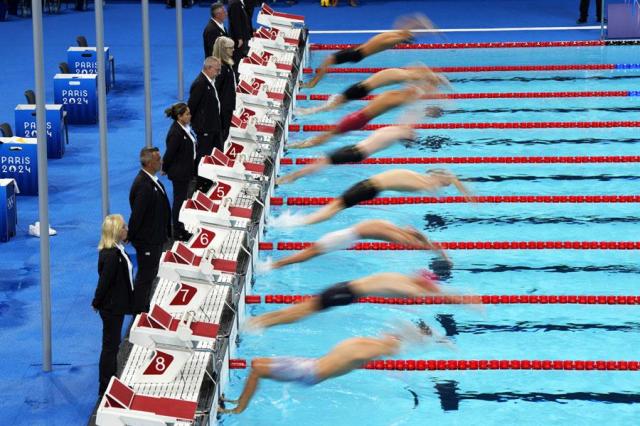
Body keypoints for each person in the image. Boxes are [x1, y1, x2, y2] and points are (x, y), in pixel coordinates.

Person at [219, 323, 451, 414]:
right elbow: (395, 334)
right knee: (257, 363)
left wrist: (419, 339)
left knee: (257, 368)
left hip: (308, 372)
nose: (390, 336)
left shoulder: (369, 351)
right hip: (307, 365)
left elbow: (397, 343)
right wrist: (426, 336)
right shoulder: (374, 344)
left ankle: (238, 410)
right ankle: (235, 403)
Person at [244, 271, 481, 330]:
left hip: (342, 287)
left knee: (301, 309)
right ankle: (258, 323)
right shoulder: (408, 290)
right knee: (300, 314)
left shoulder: (400, 278)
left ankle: (259, 321)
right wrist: (462, 299)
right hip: (344, 295)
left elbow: (429, 288)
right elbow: (432, 294)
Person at [276, 169, 473, 226]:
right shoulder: (425, 184)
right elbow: (445, 179)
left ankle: (295, 220)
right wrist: (463, 190)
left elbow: (443, 176)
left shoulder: (421, 178)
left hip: (368, 185)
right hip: (369, 188)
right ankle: (293, 223)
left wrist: (458, 185)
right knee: (333, 210)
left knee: (334, 208)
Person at [261, 219, 450, 271]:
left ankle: (275, 264)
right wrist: (440, 254)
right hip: (342, 239)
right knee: (308, 254)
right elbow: (421, 243)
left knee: (308, 252)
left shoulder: (393, 227)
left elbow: (415, 232)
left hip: (344, 235)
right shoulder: (398, 236)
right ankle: (274, 265)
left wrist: (436, 250)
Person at [302, 15, 434, 88]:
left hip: (357, 54)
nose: (405, 31)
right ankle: (313, 81)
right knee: (328, 60)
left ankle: (313, 83)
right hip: (357, 50)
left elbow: (405, 29)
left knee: (328, 59)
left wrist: (423, 26)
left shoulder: (393, 40)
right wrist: (423, 24)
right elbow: (406, 26)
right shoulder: (397, 36)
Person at [288, 85, 431, 149]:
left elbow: (409, 113)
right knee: (328, 136)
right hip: (357, 118)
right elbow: (408, 115)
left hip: (358, 118)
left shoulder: (395, 96)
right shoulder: (397, 97)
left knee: (328, 135)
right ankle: (295, 146)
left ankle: (296, 145)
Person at [278, 125, 415, 184]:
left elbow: (407, 128)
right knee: (323, 160)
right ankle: (293, 175)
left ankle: (292, 177)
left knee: (324, 161)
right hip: (355, 150)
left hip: (356, 152)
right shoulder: (396, 133)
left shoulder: (396, 133)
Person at [296, 66, 449, 116]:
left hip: (363, 87)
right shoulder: (413, 77)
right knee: (331, 107)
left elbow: (425, 80)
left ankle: (308, 110)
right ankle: (306, 111)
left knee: (337, 103)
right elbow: (417, 91)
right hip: (363, 89)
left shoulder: (412, 72)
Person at [92, 214, 134, 395]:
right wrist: (96, 302)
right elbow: (104, 282)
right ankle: (105, 386)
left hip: (115, 305)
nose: (127, 230)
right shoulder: (110, 255)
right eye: (124, 227)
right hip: (110, 307)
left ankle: (112, 379)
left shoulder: (117, 250)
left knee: (113, 345)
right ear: (116, 232)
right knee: (110, 347)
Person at [128, 147, 172, 313]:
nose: (161, 162)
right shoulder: (143, 185)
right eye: (158, 160)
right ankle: (139, 311)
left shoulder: (152, 181)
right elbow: (137, 215)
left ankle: (143, 307)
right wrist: (131, 235)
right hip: (147, 240)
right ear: (149, 163)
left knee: (150, 275)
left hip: (154, 237)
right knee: (145, 277)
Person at [162, 103, 197, 241]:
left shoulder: (184, 128)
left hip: (185, 170)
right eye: (187, 114)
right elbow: (170, 153)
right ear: (179, 116)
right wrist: (164, 168)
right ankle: (178, 230)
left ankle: (180, 227)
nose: (190, 116)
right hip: (179, 172)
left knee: (181, 200)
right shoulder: (175, 133)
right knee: (179, 201)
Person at [188, 57, 223, 163]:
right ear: (208, 68)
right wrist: (198, 125)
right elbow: (191, 107)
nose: (219, 73)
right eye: (217, 70)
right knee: (203, 155)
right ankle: (199, 178)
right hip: (205, 128)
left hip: (213, 126)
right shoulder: (200, 84)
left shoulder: (208, 82)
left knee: (215, 153)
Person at [213, 36, 237, 144]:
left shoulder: (226, 64)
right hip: (223, 108)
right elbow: (215, 90)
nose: (233, 50)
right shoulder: (220, 68)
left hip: (227, 105)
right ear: (223, 49)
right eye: (230, 48)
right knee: (223, 134)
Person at [228, 0, 252, 69]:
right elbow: (236, 22)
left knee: (243, 56)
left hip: (243, 35)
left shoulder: (239, 2)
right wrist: (239, 38)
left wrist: (250, 31)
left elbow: (245, 19)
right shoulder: (235, 4)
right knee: (239, 59)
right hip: (239, 39)